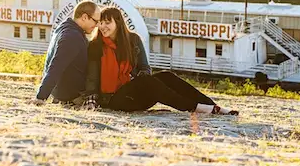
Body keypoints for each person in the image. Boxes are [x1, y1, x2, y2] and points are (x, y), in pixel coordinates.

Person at [83, 7, 238, 115]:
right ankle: (197, 108)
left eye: (107, 22)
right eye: (101, 23)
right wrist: (91, 100)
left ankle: (212, 106)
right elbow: (92, 76)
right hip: (114, 99)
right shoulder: (96, 46)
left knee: (166, 76)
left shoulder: (133, 40)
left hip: (136, 93)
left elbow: (145, 67)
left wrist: (137, 79)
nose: (103, 27)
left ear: (118, 23)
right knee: (147, 82)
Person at [28, 1, 101, 106]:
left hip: (60, 92)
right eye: (95, 21)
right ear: (84, 17)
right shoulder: (72, 36)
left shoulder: (64, 27)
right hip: (71, 95)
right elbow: (56, 67)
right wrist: (41, 97)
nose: (97, 25)